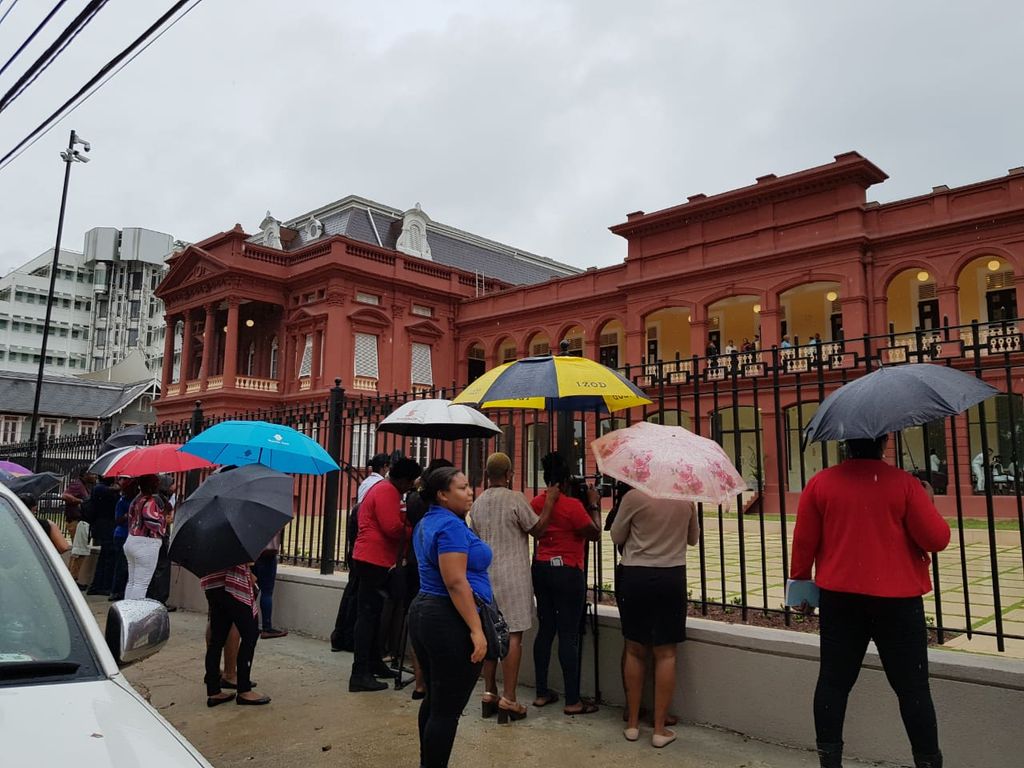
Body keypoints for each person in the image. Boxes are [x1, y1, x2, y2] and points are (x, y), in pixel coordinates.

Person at [791, 435, 950, 768]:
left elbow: (804, 542)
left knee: (833, 683)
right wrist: (928, 501)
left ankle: (829, 762)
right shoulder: (905, 485)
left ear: (846, 442)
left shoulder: (821, 483)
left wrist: (801, 586)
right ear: (885, 441)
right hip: (898, 601)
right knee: (913, 689)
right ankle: (928, 762)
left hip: (841, 599)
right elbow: (936, 539)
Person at [408, 466, 490, 767]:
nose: (470, 492)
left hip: (425, 612)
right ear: (443, 495)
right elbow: (455, 582)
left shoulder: (430, 521)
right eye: (463, 487)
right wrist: (476, 629)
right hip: (447, 618)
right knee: (446, 710)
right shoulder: (450, 527)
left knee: (435, 701)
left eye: (470, 486)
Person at [610, 486, 700, 748]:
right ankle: (660, 729)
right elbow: (693, 539)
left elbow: (616, 535)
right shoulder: (685, 500)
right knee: (666, 652)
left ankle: (633, 724)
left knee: (635, 648)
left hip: (635, 575)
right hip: (671, 575)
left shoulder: (634, 497)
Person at [470, 452, 553, 722]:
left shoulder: (478, 503)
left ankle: (488, 693)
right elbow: (537, 529)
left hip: (486, 576)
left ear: (486, 475)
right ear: (509, 475)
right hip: (514, 576)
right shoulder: (515, 499)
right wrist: (550, 502)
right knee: (513, 635)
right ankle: (510, 698)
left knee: (490, 634)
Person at [530, 451, 601, 716]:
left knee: (545, 629)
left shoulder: (536, 502)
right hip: (568, 572)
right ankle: (573, 700)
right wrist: (593, 503)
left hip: (541, 568)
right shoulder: (572, 506)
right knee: (568, 634)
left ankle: (540, 692)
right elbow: (594, 533)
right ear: (567, 479)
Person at [348, 456, 421, 692]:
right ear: (403, 479)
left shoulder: (385, 489)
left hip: (370, 557)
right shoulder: (387, 491)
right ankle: (359, 673)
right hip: (373, 558)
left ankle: (374, 663)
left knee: (374, 613)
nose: (410, 487)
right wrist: (414, 529)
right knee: (368, 615)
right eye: (410, 482)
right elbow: (392, 527)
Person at [202, 562, 271, 706]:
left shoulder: (207, 542)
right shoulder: (234, 542)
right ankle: (244, 690)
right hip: (233, 585)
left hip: (213, 584)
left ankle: (214, 690)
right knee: (250, 634)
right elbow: (243, 559)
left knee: (216, 639)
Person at [123, 474, 167, 600]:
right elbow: (151, 522)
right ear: (153, 485)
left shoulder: (136, 500)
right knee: (141, 584)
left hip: (132, 540)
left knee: (132, 582)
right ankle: (135, 613)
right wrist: (163, 515)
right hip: (146, 544)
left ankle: (127, 609)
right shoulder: (150, 501)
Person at [86, 475, 121, 596]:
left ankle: (100, 584)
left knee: (106, 556)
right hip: (105, 526)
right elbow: (112, 490)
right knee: (107, 556)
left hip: (105, 526)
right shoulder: (100, 489)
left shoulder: (102, 489)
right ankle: (101, 585)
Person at [146, 474, 177, 606]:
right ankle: (159, 598)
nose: (175, 487)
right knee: (161, 568)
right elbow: (161, 519)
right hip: (160, 538)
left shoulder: (162, 498)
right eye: (172, 484)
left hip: (160, 538)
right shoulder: (158, 499)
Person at [254, 529, 287, 639]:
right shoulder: (273, 514)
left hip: (253, 553)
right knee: (267, 592)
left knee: (252, 590)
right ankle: (267, 627)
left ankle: (249, 624)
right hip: (267, 555)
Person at [109, 478, 138, 601]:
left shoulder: (136, 501)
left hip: (130, 535)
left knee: (128, 566)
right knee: (121, 565)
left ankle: (123, 590)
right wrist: (128, 515)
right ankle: (116, 591)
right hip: (122, 535)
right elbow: (118, 519)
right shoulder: (122, 502)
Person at [61, 468, 94, 577]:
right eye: (92, 474)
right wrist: (80, 501)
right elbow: (65, 495)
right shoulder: (77, 485)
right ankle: (72, 576)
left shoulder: (84, 486)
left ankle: (71, 575)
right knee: (78, 551)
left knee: (79, 550)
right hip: (75, 522)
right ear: (85, 475)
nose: (95, 477)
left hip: (79, 522)